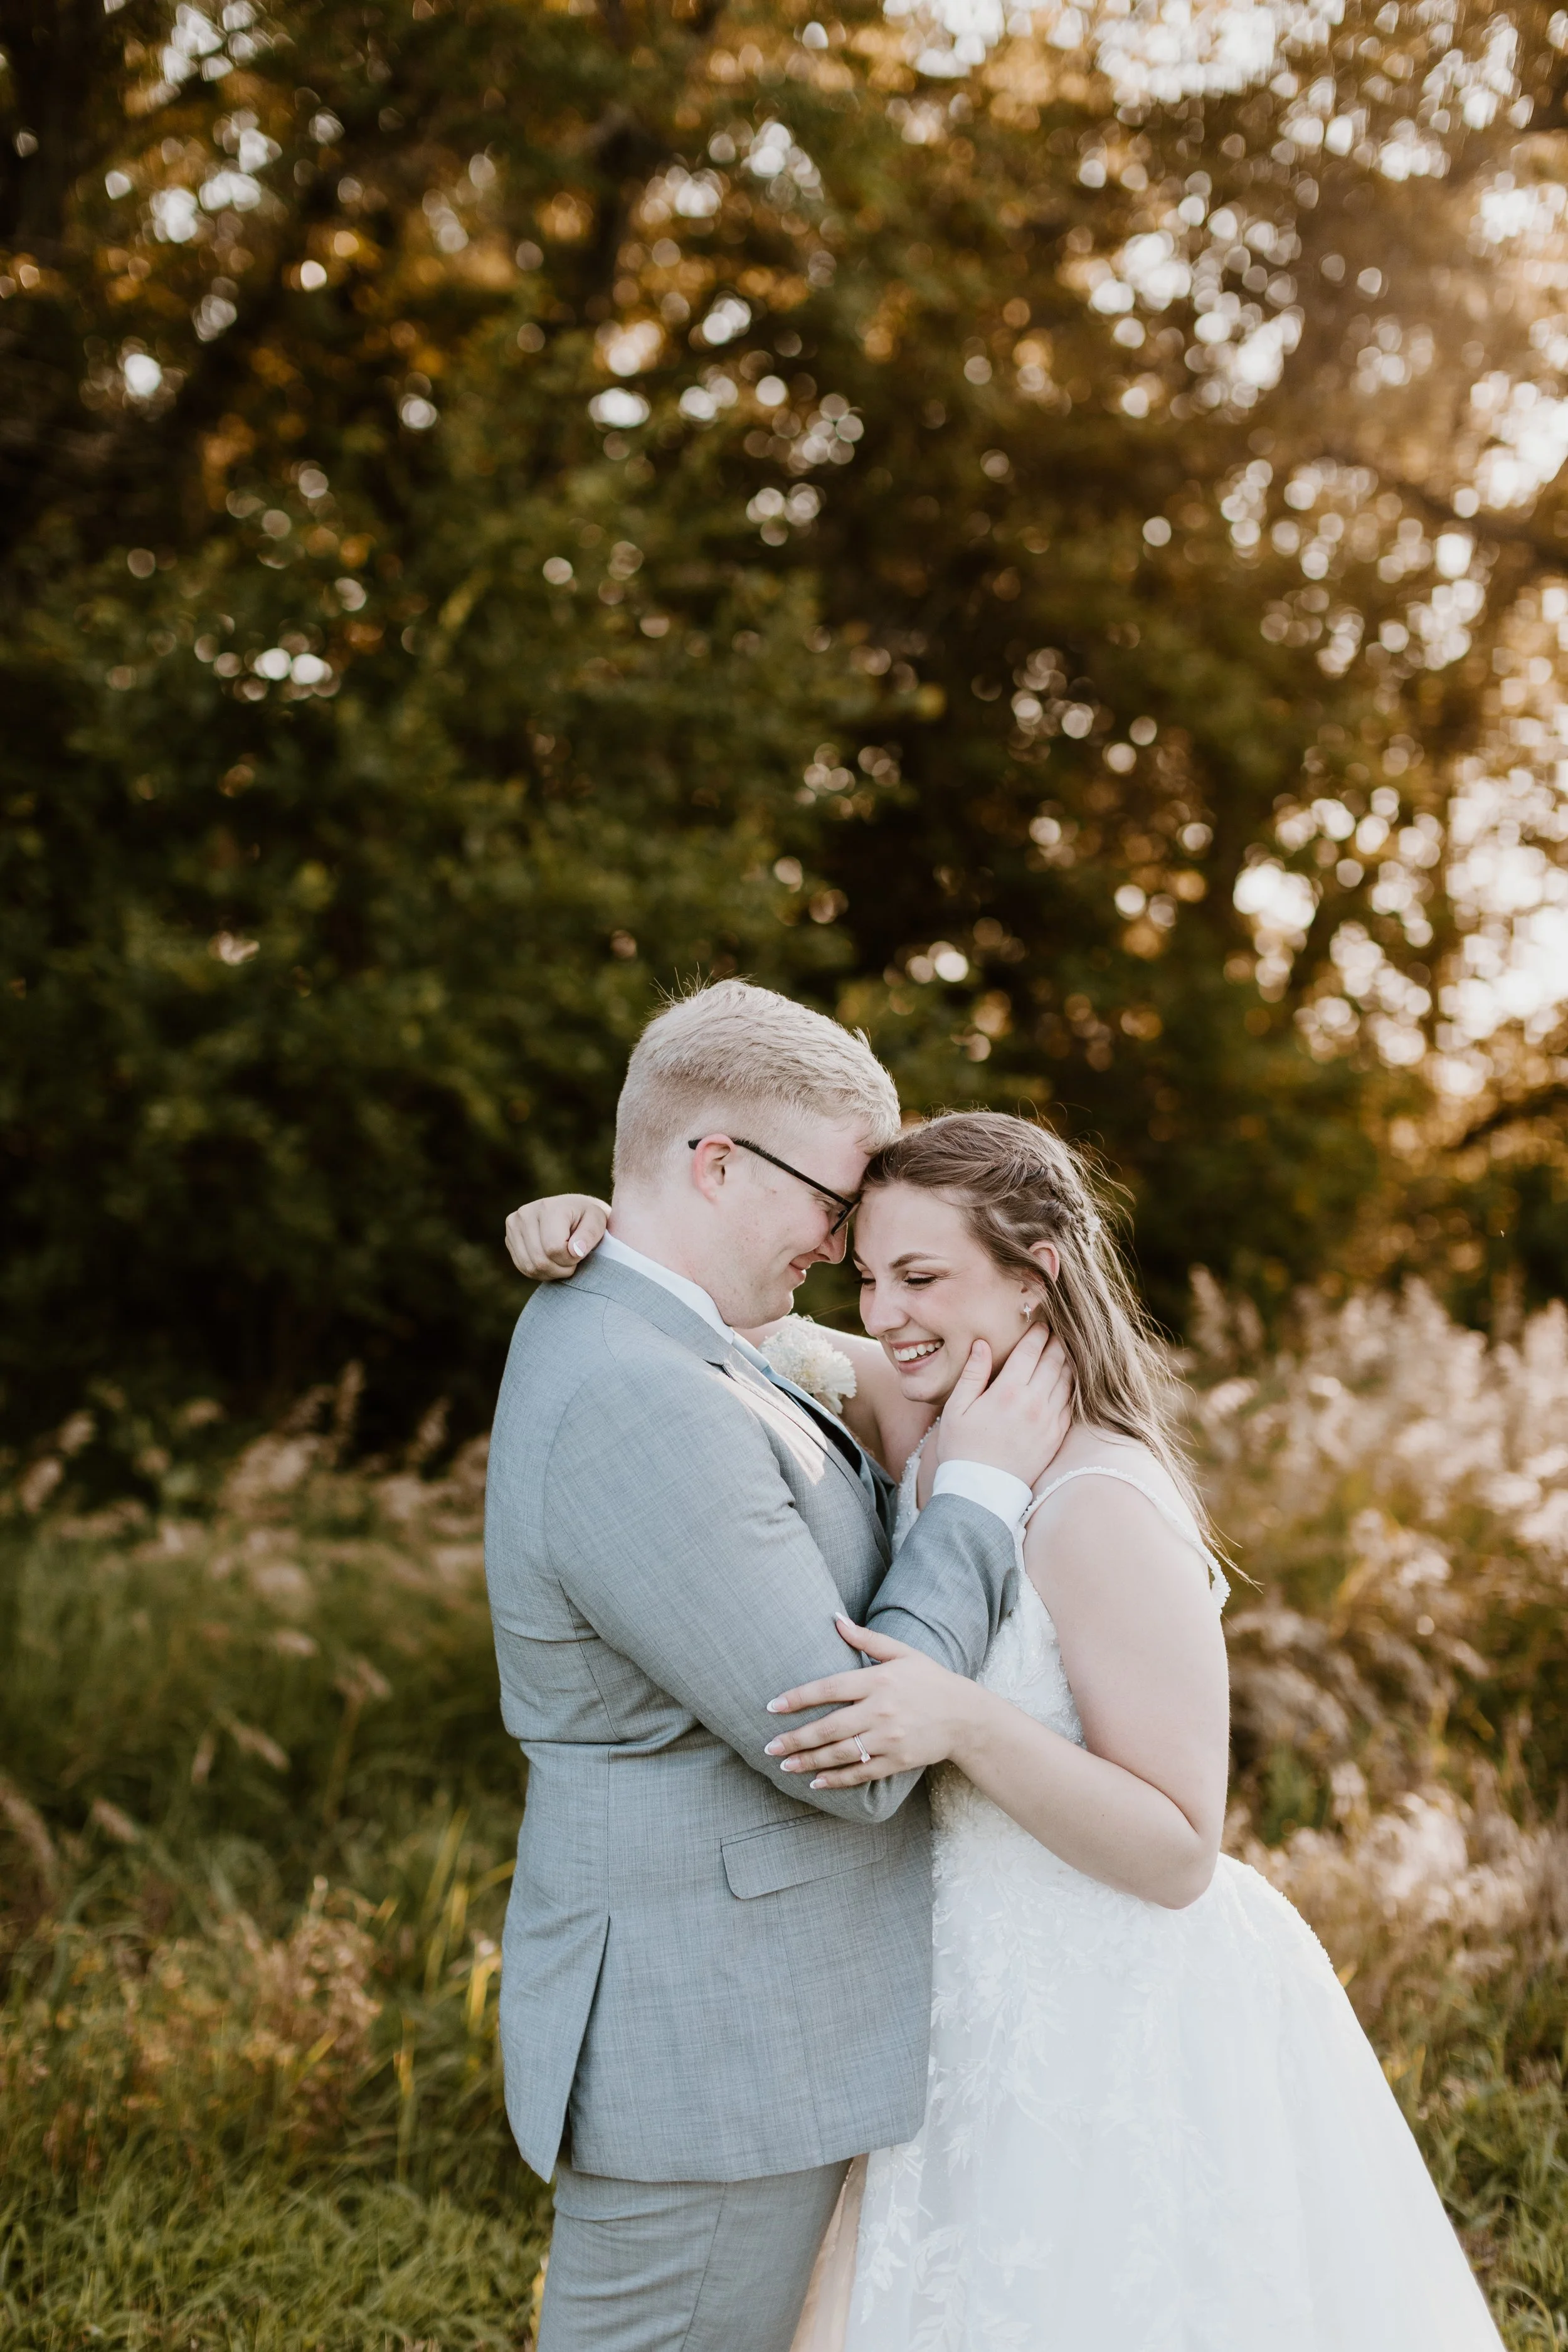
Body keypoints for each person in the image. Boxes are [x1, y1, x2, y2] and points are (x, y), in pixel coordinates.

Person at [512, 1109, 1506, 2352]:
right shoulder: (926, 1411)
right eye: (868, 1275)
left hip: (1101, 2004)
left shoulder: (1093, 1501)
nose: (883, 1316)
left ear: (1035, 1271)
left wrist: (965, 1725)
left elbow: (1177, 1849)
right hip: (950, 1995)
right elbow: (739, 1325)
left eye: (922, 1278)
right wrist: (594, 1232)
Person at [484, 985, 1073, 2352]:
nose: (844, 1236)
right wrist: (976, 1501)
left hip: (752, 2011)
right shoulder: (638, 1388)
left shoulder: (681, 1337)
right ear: (714, 1163)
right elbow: (848, 1750)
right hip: (710, 2034)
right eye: (834, 1195)